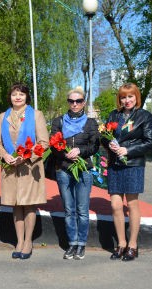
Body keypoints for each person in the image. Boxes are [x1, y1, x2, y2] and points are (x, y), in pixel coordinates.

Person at [0, 83, 49, 260]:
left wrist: (26, 156)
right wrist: (4, 156)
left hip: (29, 167)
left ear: (27, 97)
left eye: (21, 94)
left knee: (29, 204)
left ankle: (28, 241)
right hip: (10, 167)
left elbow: (43, 142)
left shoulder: (36, 115)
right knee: (16, 204)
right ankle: (19, 240)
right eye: (14, 94)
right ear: (9, 97)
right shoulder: (3, 117)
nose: (17, 97)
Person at [102, 83, 152, 261]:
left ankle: (133, 245)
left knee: (132, 204)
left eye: (130, 96)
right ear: (120, 98)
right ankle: (121, 243)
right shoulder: (114, 115)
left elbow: (150, 142)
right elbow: (105, 136)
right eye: (124, 97)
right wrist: (107, 144)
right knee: (115, 205)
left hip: (133, 164)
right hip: (115, 165)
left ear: (136, 97)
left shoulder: (144, 116)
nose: (127, 100)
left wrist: (128, 150)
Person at [50, 87, 99, 260]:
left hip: (84, 169)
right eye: (71, 101)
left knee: (82, 210)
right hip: (63, 169)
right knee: (69, 209)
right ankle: (72, 243)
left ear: (83, 103)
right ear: (68, 102)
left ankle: (81, 244)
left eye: (78, 101)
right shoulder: (59, 121)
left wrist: (80, 151)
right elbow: (53, 144)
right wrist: (64, 154)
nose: (75, 104)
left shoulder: (91, 123)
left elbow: (95, 146)